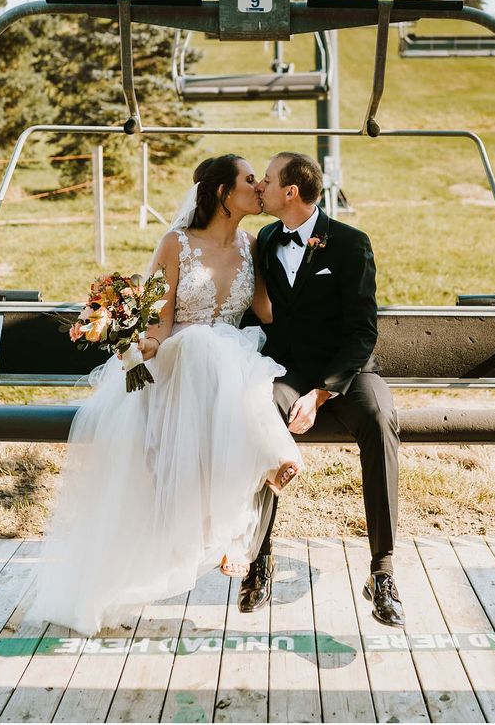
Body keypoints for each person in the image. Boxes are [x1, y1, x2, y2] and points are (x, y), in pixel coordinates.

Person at [29, 154, 302, 636]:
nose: (258, 185)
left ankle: (229, 528)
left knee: (227, 361)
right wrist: (137, 341)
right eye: (248, 179)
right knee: (199, 344)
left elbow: (267, 311)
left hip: (231, 366)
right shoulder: (175, 243)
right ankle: (258, 475)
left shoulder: (253, 244)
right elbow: (160, 321)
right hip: (177, 363)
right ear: (222, 193)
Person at [237, 151, 405, 628]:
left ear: (291, 191)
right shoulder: (267, 238)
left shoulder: (350, 243)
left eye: (267, 181)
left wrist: (322, 394)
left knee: (378, 418)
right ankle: (259, 558)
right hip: (287, 371)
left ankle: (383, 570)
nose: (261, 188)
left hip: (348, 373)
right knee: (261, 412)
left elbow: (361, 331)